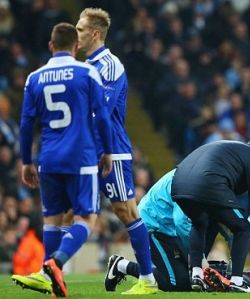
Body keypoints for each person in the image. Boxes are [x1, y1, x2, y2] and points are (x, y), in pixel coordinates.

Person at [12, 23, 113, 297]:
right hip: (80, 157)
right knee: (87, 219)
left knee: (53, 220)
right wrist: (108, 151)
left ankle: (51, 281)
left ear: (50, 46)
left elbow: (25, 124)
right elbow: (103, 117)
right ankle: (54, 263)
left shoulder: (34, 78)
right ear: (76, 46)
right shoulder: (87, 72)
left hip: (48, 159)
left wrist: (26, 161)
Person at [75, 8, 155, 295]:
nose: (77, 35)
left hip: (111, 151)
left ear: (95, 33)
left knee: (126, 211)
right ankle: (50, 270)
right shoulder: (85, 66)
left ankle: (147, 279)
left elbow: (101, 113)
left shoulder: (110, 65)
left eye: (81, 30)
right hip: (86, 150)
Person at [171, 137, 250, 293]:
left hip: (178, 184)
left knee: (200, 221)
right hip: (208, 182)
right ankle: (236, 281)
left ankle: (197, 274)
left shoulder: (232, 150)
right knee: (242, 227)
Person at [105, 169, 192, 292]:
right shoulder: (187, 180)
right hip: (154, 225)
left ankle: (121, 265)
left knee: (189, 280)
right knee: (177, 284)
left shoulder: (189, 173)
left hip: (169, 228)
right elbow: (180, 221)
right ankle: (122, 265)